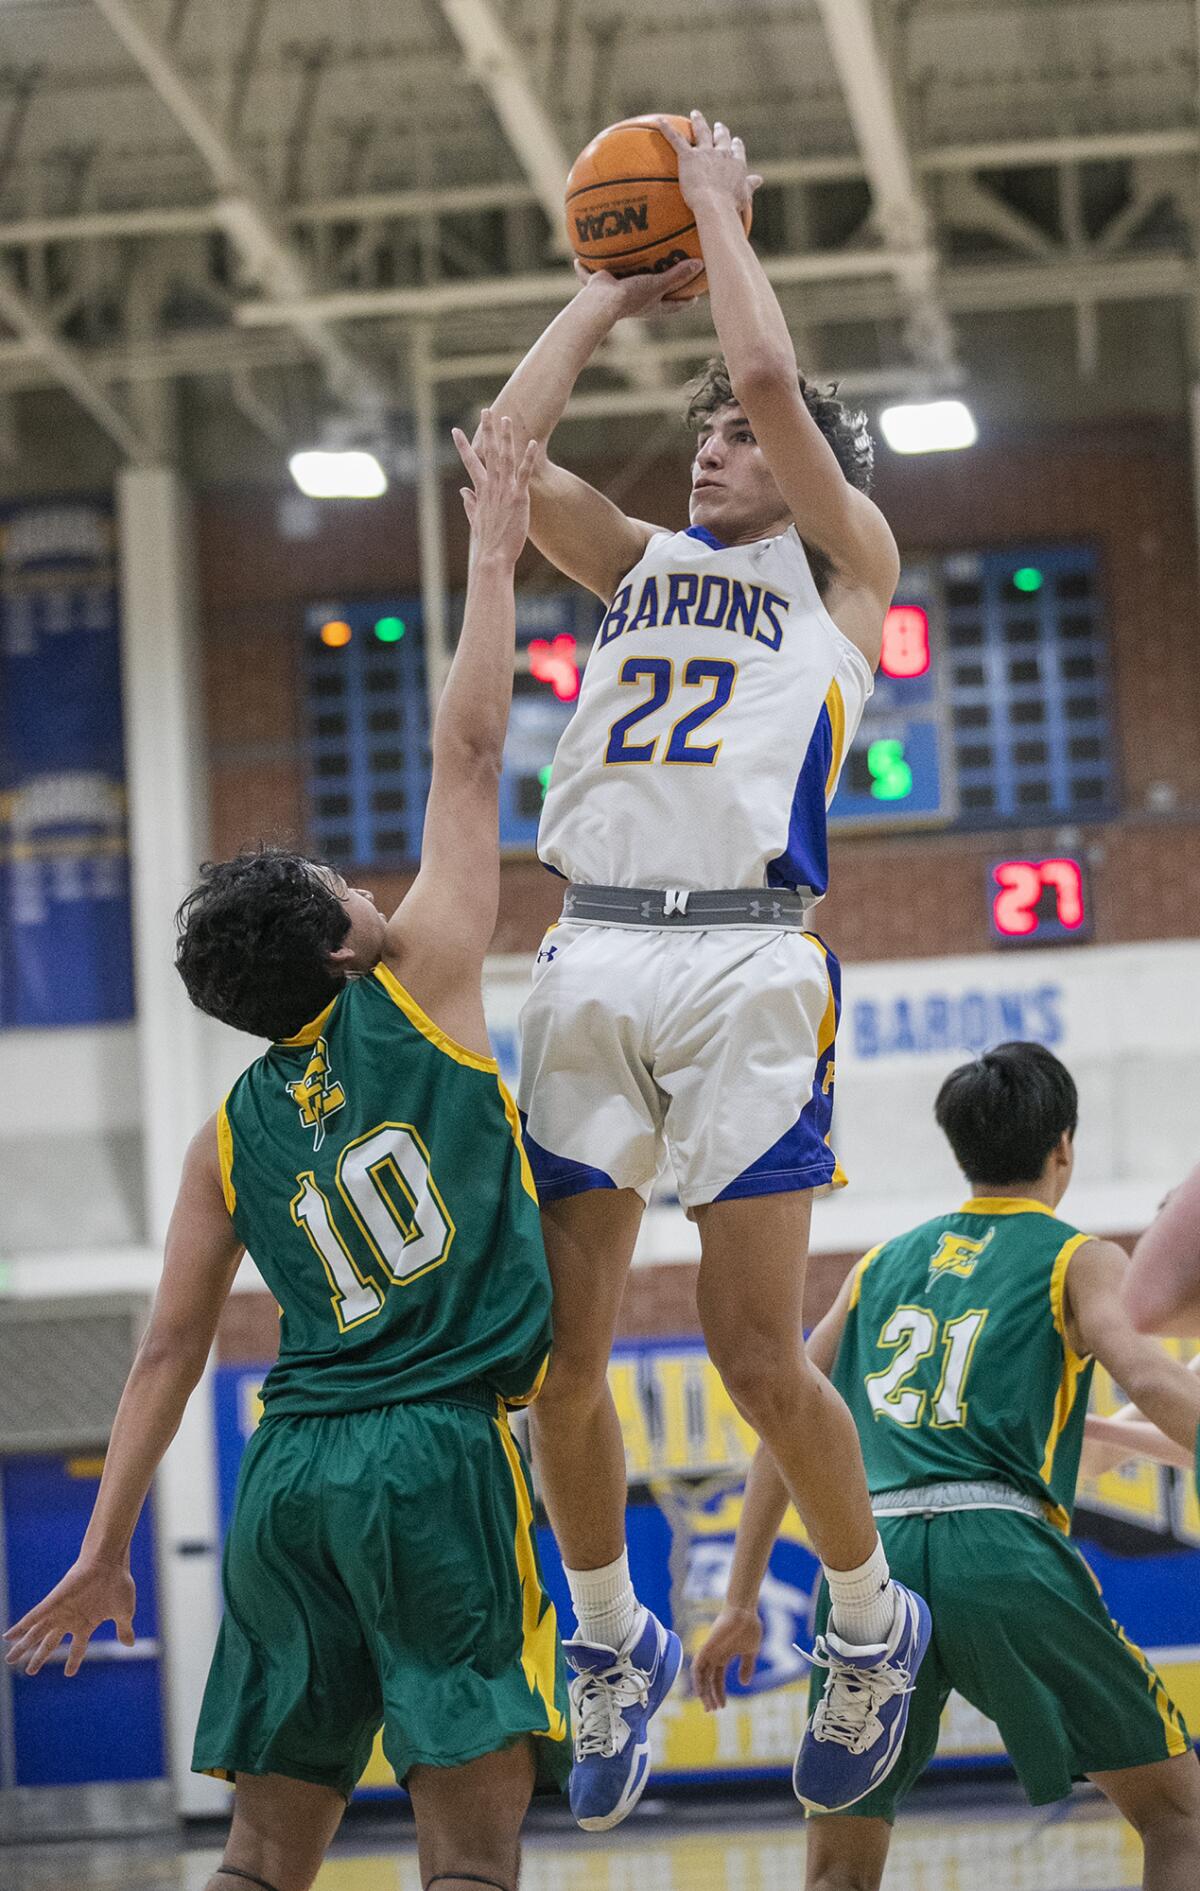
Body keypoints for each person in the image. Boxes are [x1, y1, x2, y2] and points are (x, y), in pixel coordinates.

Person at [3, 414, 570, 1891]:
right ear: (339, 940)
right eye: (345, 878)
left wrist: (102, 1541)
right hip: (437, 1450)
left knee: (264, 1848)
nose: (371, 879)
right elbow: (469, 743)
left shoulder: (224, 1136)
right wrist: (495, 550)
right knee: (469, 1849)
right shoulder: (426, 982)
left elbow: (162, 1357)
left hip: (291, 1468)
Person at [484, 109, 928, 1830]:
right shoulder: (641, 570)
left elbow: (761, 359)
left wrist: (724, 219)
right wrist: (601, 294)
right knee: (559, 1360)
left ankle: (871, 1622)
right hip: (590, 951)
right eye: (705, 438)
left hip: (750, 967)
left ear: (812, 462)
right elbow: (507, 462)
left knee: (755, 1353)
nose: (711, 450)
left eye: (739, 438)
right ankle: (612, 1640)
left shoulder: (844, 581)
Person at [693, 1042, 1200, 1891]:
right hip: (999, 1548)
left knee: (838, 1869)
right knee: (1179, 1814)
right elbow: (1146, 1373)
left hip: (868, 1566)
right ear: (1063, 1146)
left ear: (961, 1147)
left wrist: (740, 1599)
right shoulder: (1077, 1256)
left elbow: (783, 1424)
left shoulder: (877, 1266)